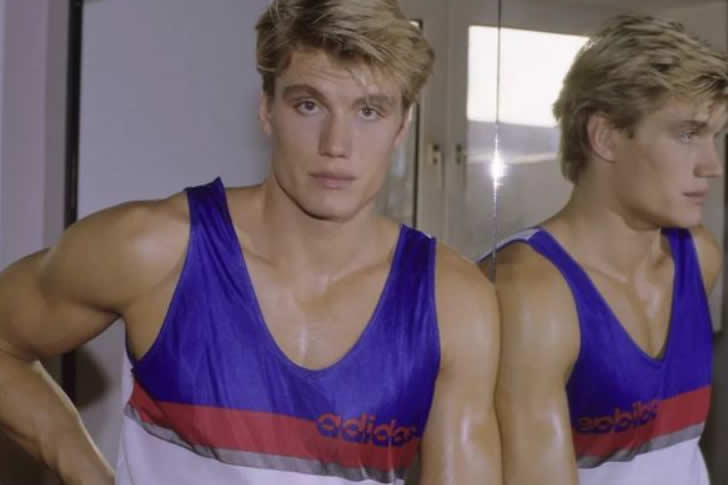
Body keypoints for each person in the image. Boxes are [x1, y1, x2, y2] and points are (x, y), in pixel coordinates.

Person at [0, 0, 502, 484]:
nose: (336, 145)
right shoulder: (155, 250)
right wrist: (88, 475)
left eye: (368, 111)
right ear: (267, 110)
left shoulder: (451, 302)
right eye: (309, 105)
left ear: (402, 126)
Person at [485, 15, 728, 485]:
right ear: (606, 136)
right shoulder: (528, 293)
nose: (712, 165)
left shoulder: (699, 257)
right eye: (687, 134)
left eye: (714, 137)